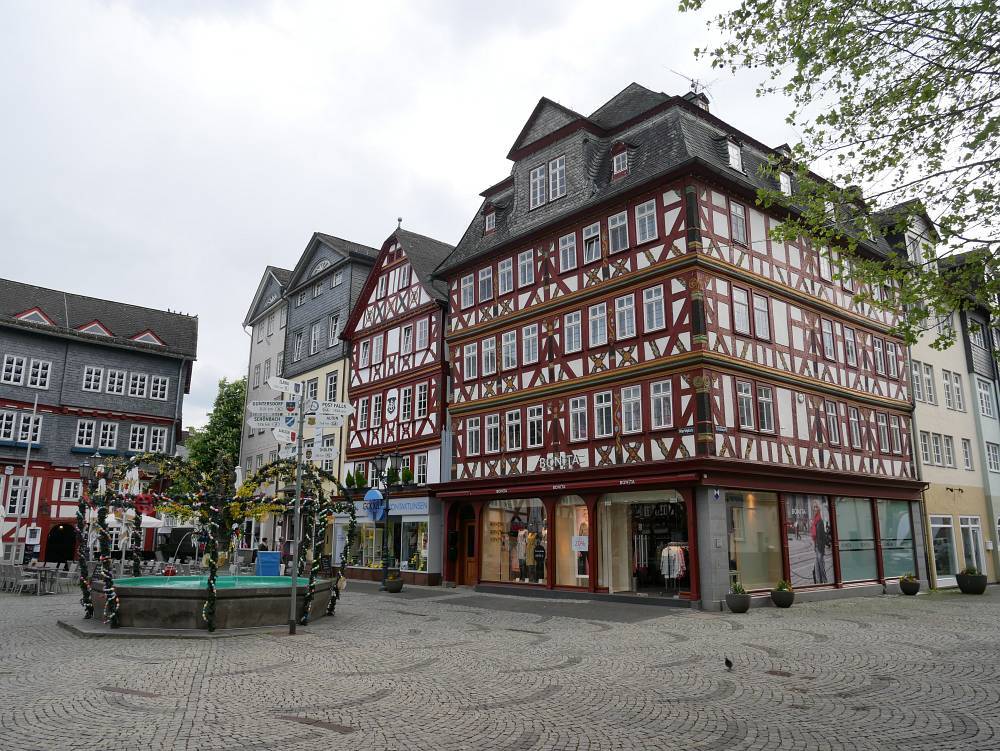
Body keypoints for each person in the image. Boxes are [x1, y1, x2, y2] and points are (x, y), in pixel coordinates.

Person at [810, 500, 829, 584]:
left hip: (820, 548)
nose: (815, 508)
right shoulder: (814, 521)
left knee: (821, 567)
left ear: (819, 508)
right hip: (816, 547)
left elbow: (823, 536)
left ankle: (825, 581)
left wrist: (822, 550)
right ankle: (818, 583)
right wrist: (815, 546)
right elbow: (814, 535)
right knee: (817, 567)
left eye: (816, 507)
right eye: (814, 507)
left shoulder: (820, 521)